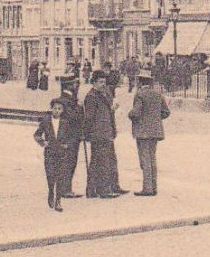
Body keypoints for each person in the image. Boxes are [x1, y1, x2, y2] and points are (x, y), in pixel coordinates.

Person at [82, 70, 123, 198]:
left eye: (104, 82)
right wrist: (87, 132)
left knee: (107, 160)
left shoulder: (103, 94)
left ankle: (105, 187)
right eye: (100, 82)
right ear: (93, 82)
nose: (103, 84)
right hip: (98, 133)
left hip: (106, 132)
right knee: (102, 162)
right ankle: (104, 189)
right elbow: (89, 117)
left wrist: (112, 110)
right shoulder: (91, 97)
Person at [128, 72, 170, 197]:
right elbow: (166, 112)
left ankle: (147, 189)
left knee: (145, 160)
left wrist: (129, 114)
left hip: (142, 132)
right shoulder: (158, 94)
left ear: (140, 83)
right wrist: (155, 118)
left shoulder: (140, 94)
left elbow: (135, 113)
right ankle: (153, 187)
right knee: (152, 159)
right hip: (155, 131)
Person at [32, 97, 73, 211]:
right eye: (55, 108)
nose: (57, 111)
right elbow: (37, 134)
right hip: (50, 152)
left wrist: (67, 145)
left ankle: (58, 200)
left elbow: (71, 137)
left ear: (63, 110)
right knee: (50, 176)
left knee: (60, 177)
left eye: (60, 109)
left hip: (61, 153)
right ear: (51, 109)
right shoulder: (46, 121)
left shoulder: (65, 122)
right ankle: (51, 192)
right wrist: (42, 142)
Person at [55, 84, 84, 198]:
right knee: (68, 163)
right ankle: (65, 190)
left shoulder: (67, 100)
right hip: (69, 138)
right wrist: (79, 107)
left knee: (68, 163)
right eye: (75, 84)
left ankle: (66, 188)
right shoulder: (66, 102)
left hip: (70, 137)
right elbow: (74, 117)